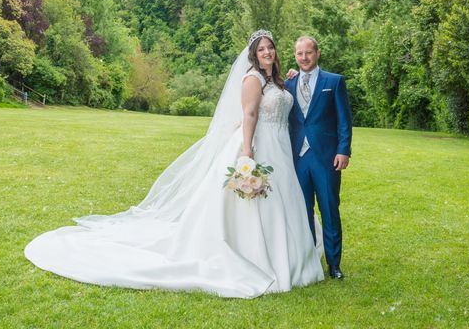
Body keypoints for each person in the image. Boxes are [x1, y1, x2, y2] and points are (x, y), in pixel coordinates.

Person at [25, 29, 323, 298]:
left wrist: (291, 80)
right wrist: (247, 152)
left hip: (281, 149)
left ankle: (290, 256)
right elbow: (249, 116)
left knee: (284, 202)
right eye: (261, 50)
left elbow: (283, 103)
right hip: (258, 145)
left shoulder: (278, 81)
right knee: (253, 206)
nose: (267, 53)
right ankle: (259, 256)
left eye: (270, 48)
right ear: (253, 56)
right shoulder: (252, 79)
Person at [284, 36, 352, 280]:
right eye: (299, 54)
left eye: (308, 53)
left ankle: (334, 265)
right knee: (302, 212)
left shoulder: (333, 82)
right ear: (295, 56)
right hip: (297, 158)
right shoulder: (288, 84)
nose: (304, 58)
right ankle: (310, 261)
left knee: (329, 209)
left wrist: (344, 149)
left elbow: (344, 120)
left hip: (326, 158)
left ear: (317, 53)